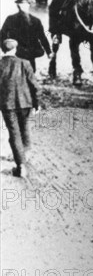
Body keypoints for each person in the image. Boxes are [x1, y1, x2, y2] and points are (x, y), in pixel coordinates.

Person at [0, 39, 40, 178]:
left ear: (2, 50)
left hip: (7, 105)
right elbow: (35, 85)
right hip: (26, 103)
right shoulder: (25, 63)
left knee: (14, 134)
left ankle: (21, 166)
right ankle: (25, 154)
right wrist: (37, 103)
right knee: (25, 129)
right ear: (15, 50)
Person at [0, 0, 51, 72]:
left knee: (31, 71)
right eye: (21, 4)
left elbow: (42, 37)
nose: (23, 6)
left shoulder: (35, 21)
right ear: (18, 5)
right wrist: (5, 48)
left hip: (31, 51)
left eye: (25, 4)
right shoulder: (11, 19)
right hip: (17, 51)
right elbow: (2, 34)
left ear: (28, 5)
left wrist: (49, 52)